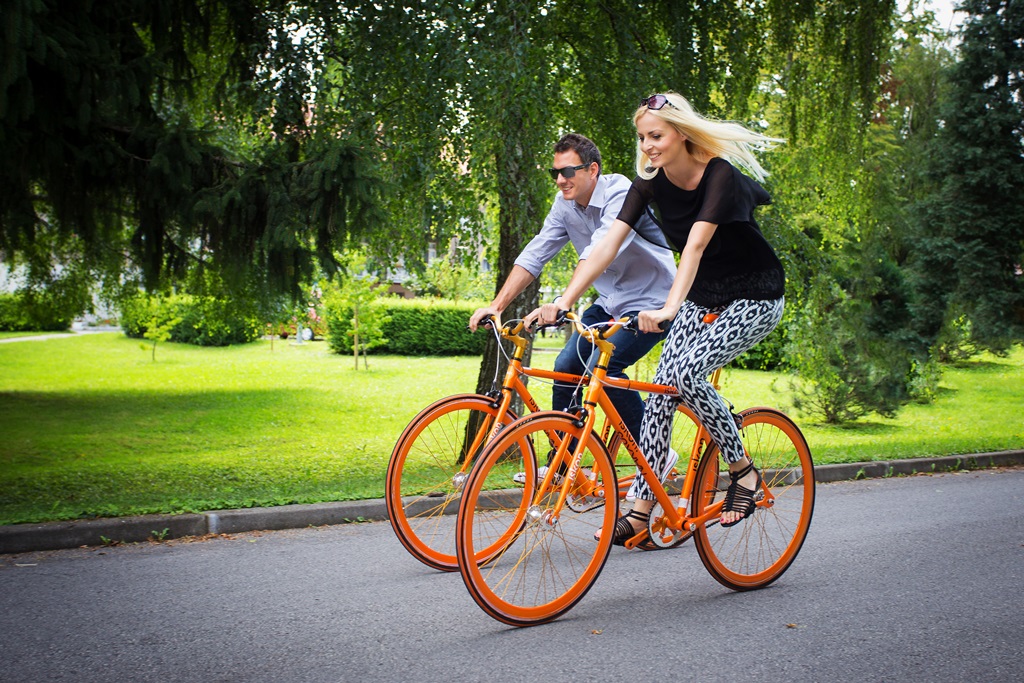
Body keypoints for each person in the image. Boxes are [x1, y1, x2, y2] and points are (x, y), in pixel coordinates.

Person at [525, 93, 786, 539]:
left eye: (656, 136)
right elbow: (606, 246)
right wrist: (566, 300)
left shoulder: (719, 175)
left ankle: (743, 471)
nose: (647, 146)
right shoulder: (649, 183)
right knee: (664, 391)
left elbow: (695, 247)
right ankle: (642, 509)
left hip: (754, 295)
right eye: (643, 137)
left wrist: (668, 308)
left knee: (684, 374)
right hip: (703, 297)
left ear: (681, 134)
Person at [468, 133, 677, 462]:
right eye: (555, 173)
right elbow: (537, 252)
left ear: (592, 170)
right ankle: (564, 463)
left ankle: (656, 454)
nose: (560, 180)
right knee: (566, 367)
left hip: (654, 303)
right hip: (609, 302)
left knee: (603, 370)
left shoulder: (621, 192)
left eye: (568, 172)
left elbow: (600, 250)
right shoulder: (564, 204)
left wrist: (563, 302)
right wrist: (496, 306)